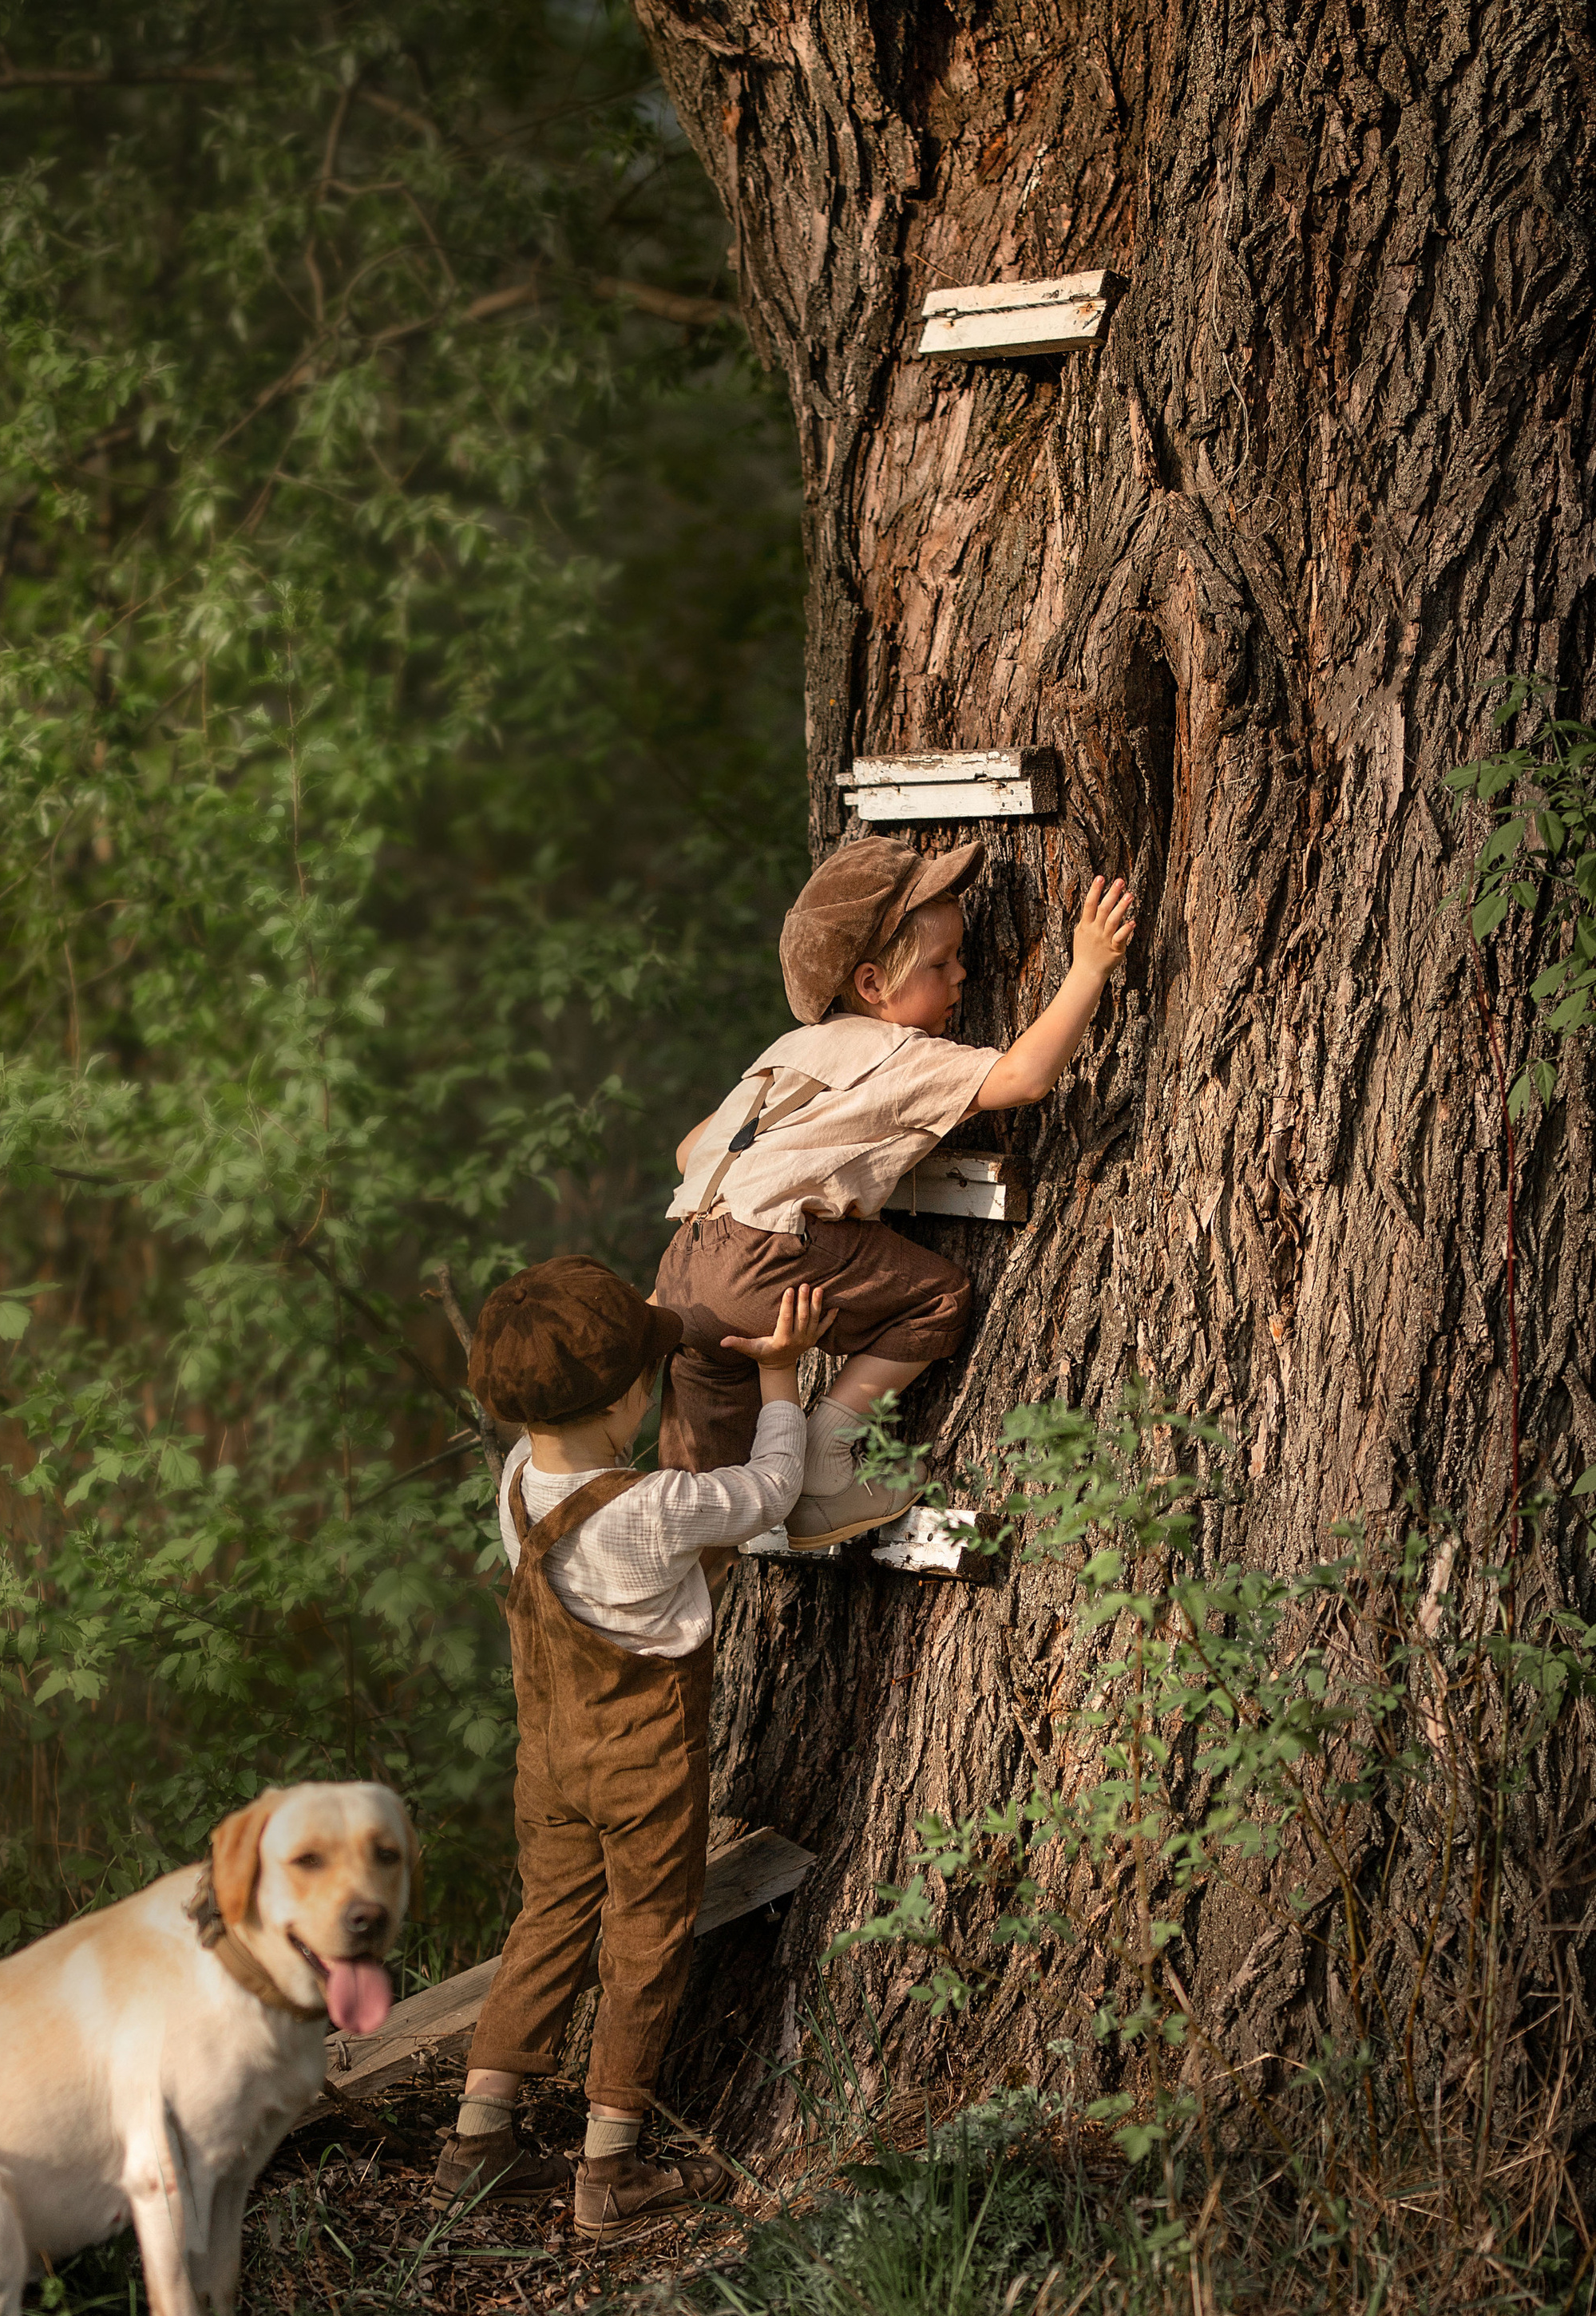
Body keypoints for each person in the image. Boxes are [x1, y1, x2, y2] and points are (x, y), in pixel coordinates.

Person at [432, 1257, 830, 2242]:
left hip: (550, 1758)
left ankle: (476, 2142)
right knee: (645, 1938)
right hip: (642, 1763)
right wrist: (781, 1378)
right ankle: (609, 2169)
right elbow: (775, 1488)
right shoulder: (654, 1510)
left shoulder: (520, 1481)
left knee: (549, 1922)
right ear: (625, 1399)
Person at [655, 836, 1137, 1544]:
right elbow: (1023, 1079)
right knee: (936, 1296)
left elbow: (687, 1150)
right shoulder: (902, 1055)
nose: (963, 974)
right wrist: (1089, 968)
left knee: (704, 1506)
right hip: (766, 1255)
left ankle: (687, 1592)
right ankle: (823, 1455)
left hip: (684, 1266)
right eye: (941, 964)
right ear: (874, 985)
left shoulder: (788, 1049)